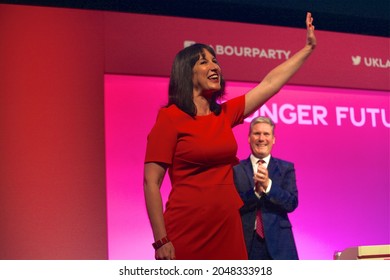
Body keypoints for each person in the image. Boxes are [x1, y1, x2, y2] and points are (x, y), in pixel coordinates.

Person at [143, 12, 316, 260]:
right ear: (186, 71)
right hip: (187, 229)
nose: (214, 66)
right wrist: (161, 241)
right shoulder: (170, 118)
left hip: (228, 228)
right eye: (204, 62)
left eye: (215, 61)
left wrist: (308, 49)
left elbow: (269, 84)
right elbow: (151, 183)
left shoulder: (223, 114)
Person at [233, 117, 299, 259]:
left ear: (273, 139)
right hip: (246, 243)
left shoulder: (286, 168)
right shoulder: (235, 169)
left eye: (266, 134)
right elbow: (232, 205)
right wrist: (256, 193)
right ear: (249, 138)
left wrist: (268, 185)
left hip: (280, 245)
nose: (261, 138)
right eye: (257, 134)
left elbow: (291, 203)